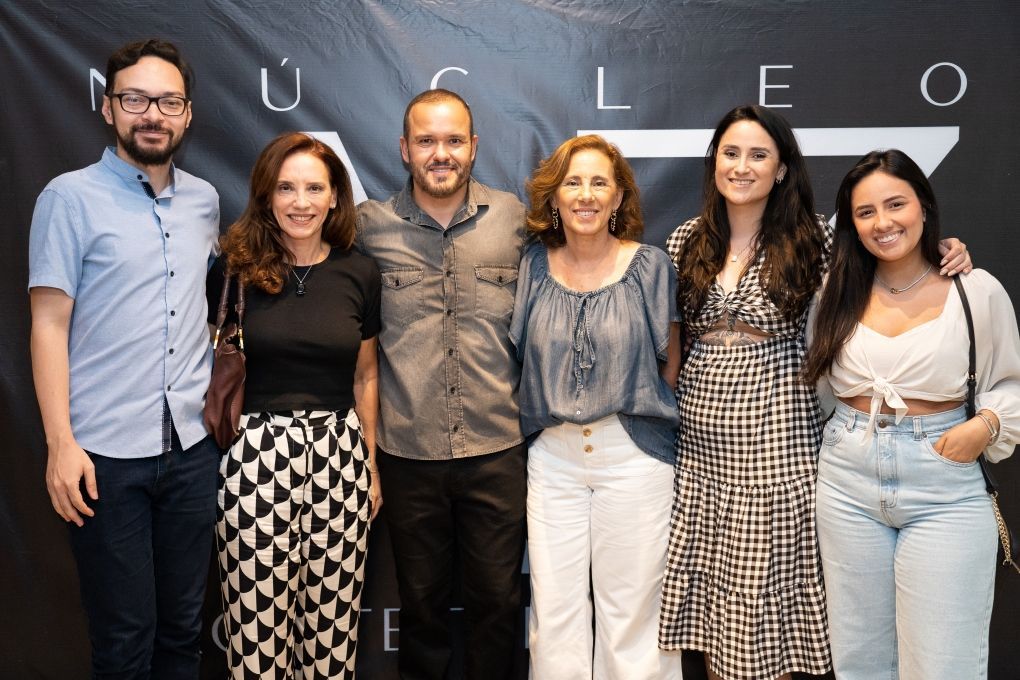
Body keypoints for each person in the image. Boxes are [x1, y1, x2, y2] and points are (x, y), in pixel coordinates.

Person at [658, 105, 972, 680]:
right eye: (731, 153)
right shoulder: (686, 240)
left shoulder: (815, 240)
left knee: (770, 606)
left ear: (781, 169)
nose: (743, 166)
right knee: (716, 611)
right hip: (701, 454)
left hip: (778, 445)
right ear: (715, 164)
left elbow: (891, 265)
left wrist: (949, 250)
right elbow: (675, 353)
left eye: (759, 155)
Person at [28, 39, 221, 678]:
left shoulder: (205, 201)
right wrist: (60, 444)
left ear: (187, 114)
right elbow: (48, 327)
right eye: (135, 99)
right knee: (124, 642)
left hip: (193, 452)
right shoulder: (68, 198)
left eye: (168, 101)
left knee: (183, 633)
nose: (152, 114)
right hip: (104, 461)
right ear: (108, 108)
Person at [801, 149, 1020, 680]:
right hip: (846, 483)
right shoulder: (834, 290)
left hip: (943, 481)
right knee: (859, 659)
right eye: (865, 212)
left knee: (944, 661)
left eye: (895, 204)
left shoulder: (976, 290)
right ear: (851, 225)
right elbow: (824, 388)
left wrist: (983, 427)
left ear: (923, 205)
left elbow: (1008, 383)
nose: (883, 222)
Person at [355, 88, 527, 679]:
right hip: (408, 454)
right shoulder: (366, 228)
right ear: (404, 149)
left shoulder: (515, 220)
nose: (441, 153)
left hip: (497, 449)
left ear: (474, 147)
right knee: (421, 611)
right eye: (426, 141)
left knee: (498, 607)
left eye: (454, 140)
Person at [209, 132, 381, 679]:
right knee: (255, 633)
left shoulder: (360, 272)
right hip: (255, 456)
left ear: (335, 197)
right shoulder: (233, 270)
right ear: (266, 195)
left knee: (333, 635)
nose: (300, 202)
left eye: (314, 187)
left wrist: (370, 465)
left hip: (340, 456)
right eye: (286, 187)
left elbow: (366, 374)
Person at [510, 134, 682, 678]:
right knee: (554, 615)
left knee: (633, 617)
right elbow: (520, 360)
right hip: (553, 460)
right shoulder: (532, 267)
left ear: (619, 198)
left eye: (599, 182)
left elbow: (669, 366)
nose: (585, 194)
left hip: (633, 456)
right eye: (573, 182)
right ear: (554, 197)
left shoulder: (651, 266)